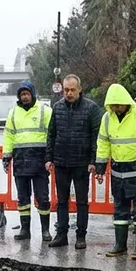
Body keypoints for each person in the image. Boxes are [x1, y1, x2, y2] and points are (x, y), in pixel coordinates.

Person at [94, 83, 136, 259]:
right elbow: (103, 143)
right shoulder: (107, 118)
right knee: (120, 210)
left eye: (118, 105)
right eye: (113, 106)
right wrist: (100, 167)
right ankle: (120, 245)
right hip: (119, 171)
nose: (116, 109)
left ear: (125, 102)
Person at [45, 74, 103, 249]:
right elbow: (51, 134)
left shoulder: (91, 108)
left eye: (72, 90)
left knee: (81, 201)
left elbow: (96, 137)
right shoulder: (58, 107)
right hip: (61, 162)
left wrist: (93, 160)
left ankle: (80, 236)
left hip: (81, 162)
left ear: (80, 89)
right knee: (61, 201)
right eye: (66, 90)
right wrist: (49, 158)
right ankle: (61, 234)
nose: (68, 93)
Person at [2, 81, 53, 241]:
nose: (24, 97)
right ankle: (25, 230)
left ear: (32, 94)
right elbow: (9, 135)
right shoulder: (13, 113)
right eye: (22, 94)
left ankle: (45, 230)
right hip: (20, 161)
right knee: (23, 199)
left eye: (27, 94)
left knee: (43, 197)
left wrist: (50, 157)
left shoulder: (45, 110)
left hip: (40, 161)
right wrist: (6, 155)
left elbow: (52, 134)